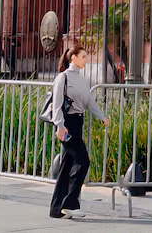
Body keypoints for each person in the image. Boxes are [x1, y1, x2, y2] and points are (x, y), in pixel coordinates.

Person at [48, 44, 107, 220]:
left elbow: (89, 102)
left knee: (67, 166)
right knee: (83, 161)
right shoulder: (63, 78)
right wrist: (60, 126)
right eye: (83, 57)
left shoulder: (82, 80)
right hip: (66, 124)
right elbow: (57, 105)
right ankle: (70, 204)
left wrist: (101, 116)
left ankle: (56, 209)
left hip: (77, 123)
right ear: (73, 57)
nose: (86, 60)